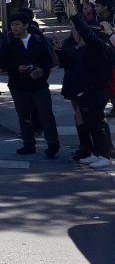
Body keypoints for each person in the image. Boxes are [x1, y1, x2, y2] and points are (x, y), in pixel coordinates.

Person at [0, 11, 60, 157]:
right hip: (18, 86)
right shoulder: (8, 42)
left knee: (46, 114)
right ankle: (28, 143)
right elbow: (3, 63)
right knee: (24, 116)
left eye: (17, 24)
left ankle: (53, 143)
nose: (14, 27)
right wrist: (16, 68)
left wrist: (42, 70)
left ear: (26, 25)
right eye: (12, 24)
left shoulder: (38, 40)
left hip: (39, 85)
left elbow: (49, 60)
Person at [53, 15, 112, 169]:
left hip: (95, 92)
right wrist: (59, 51)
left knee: (96, 124)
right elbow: (68, 62)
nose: (78, 36)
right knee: (90, 123)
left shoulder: (99, 48)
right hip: (85, 92)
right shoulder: (83, 50)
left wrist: (75, 17)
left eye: (80, 33)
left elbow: (87, 34)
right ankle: (94, 153)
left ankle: (104, 156)